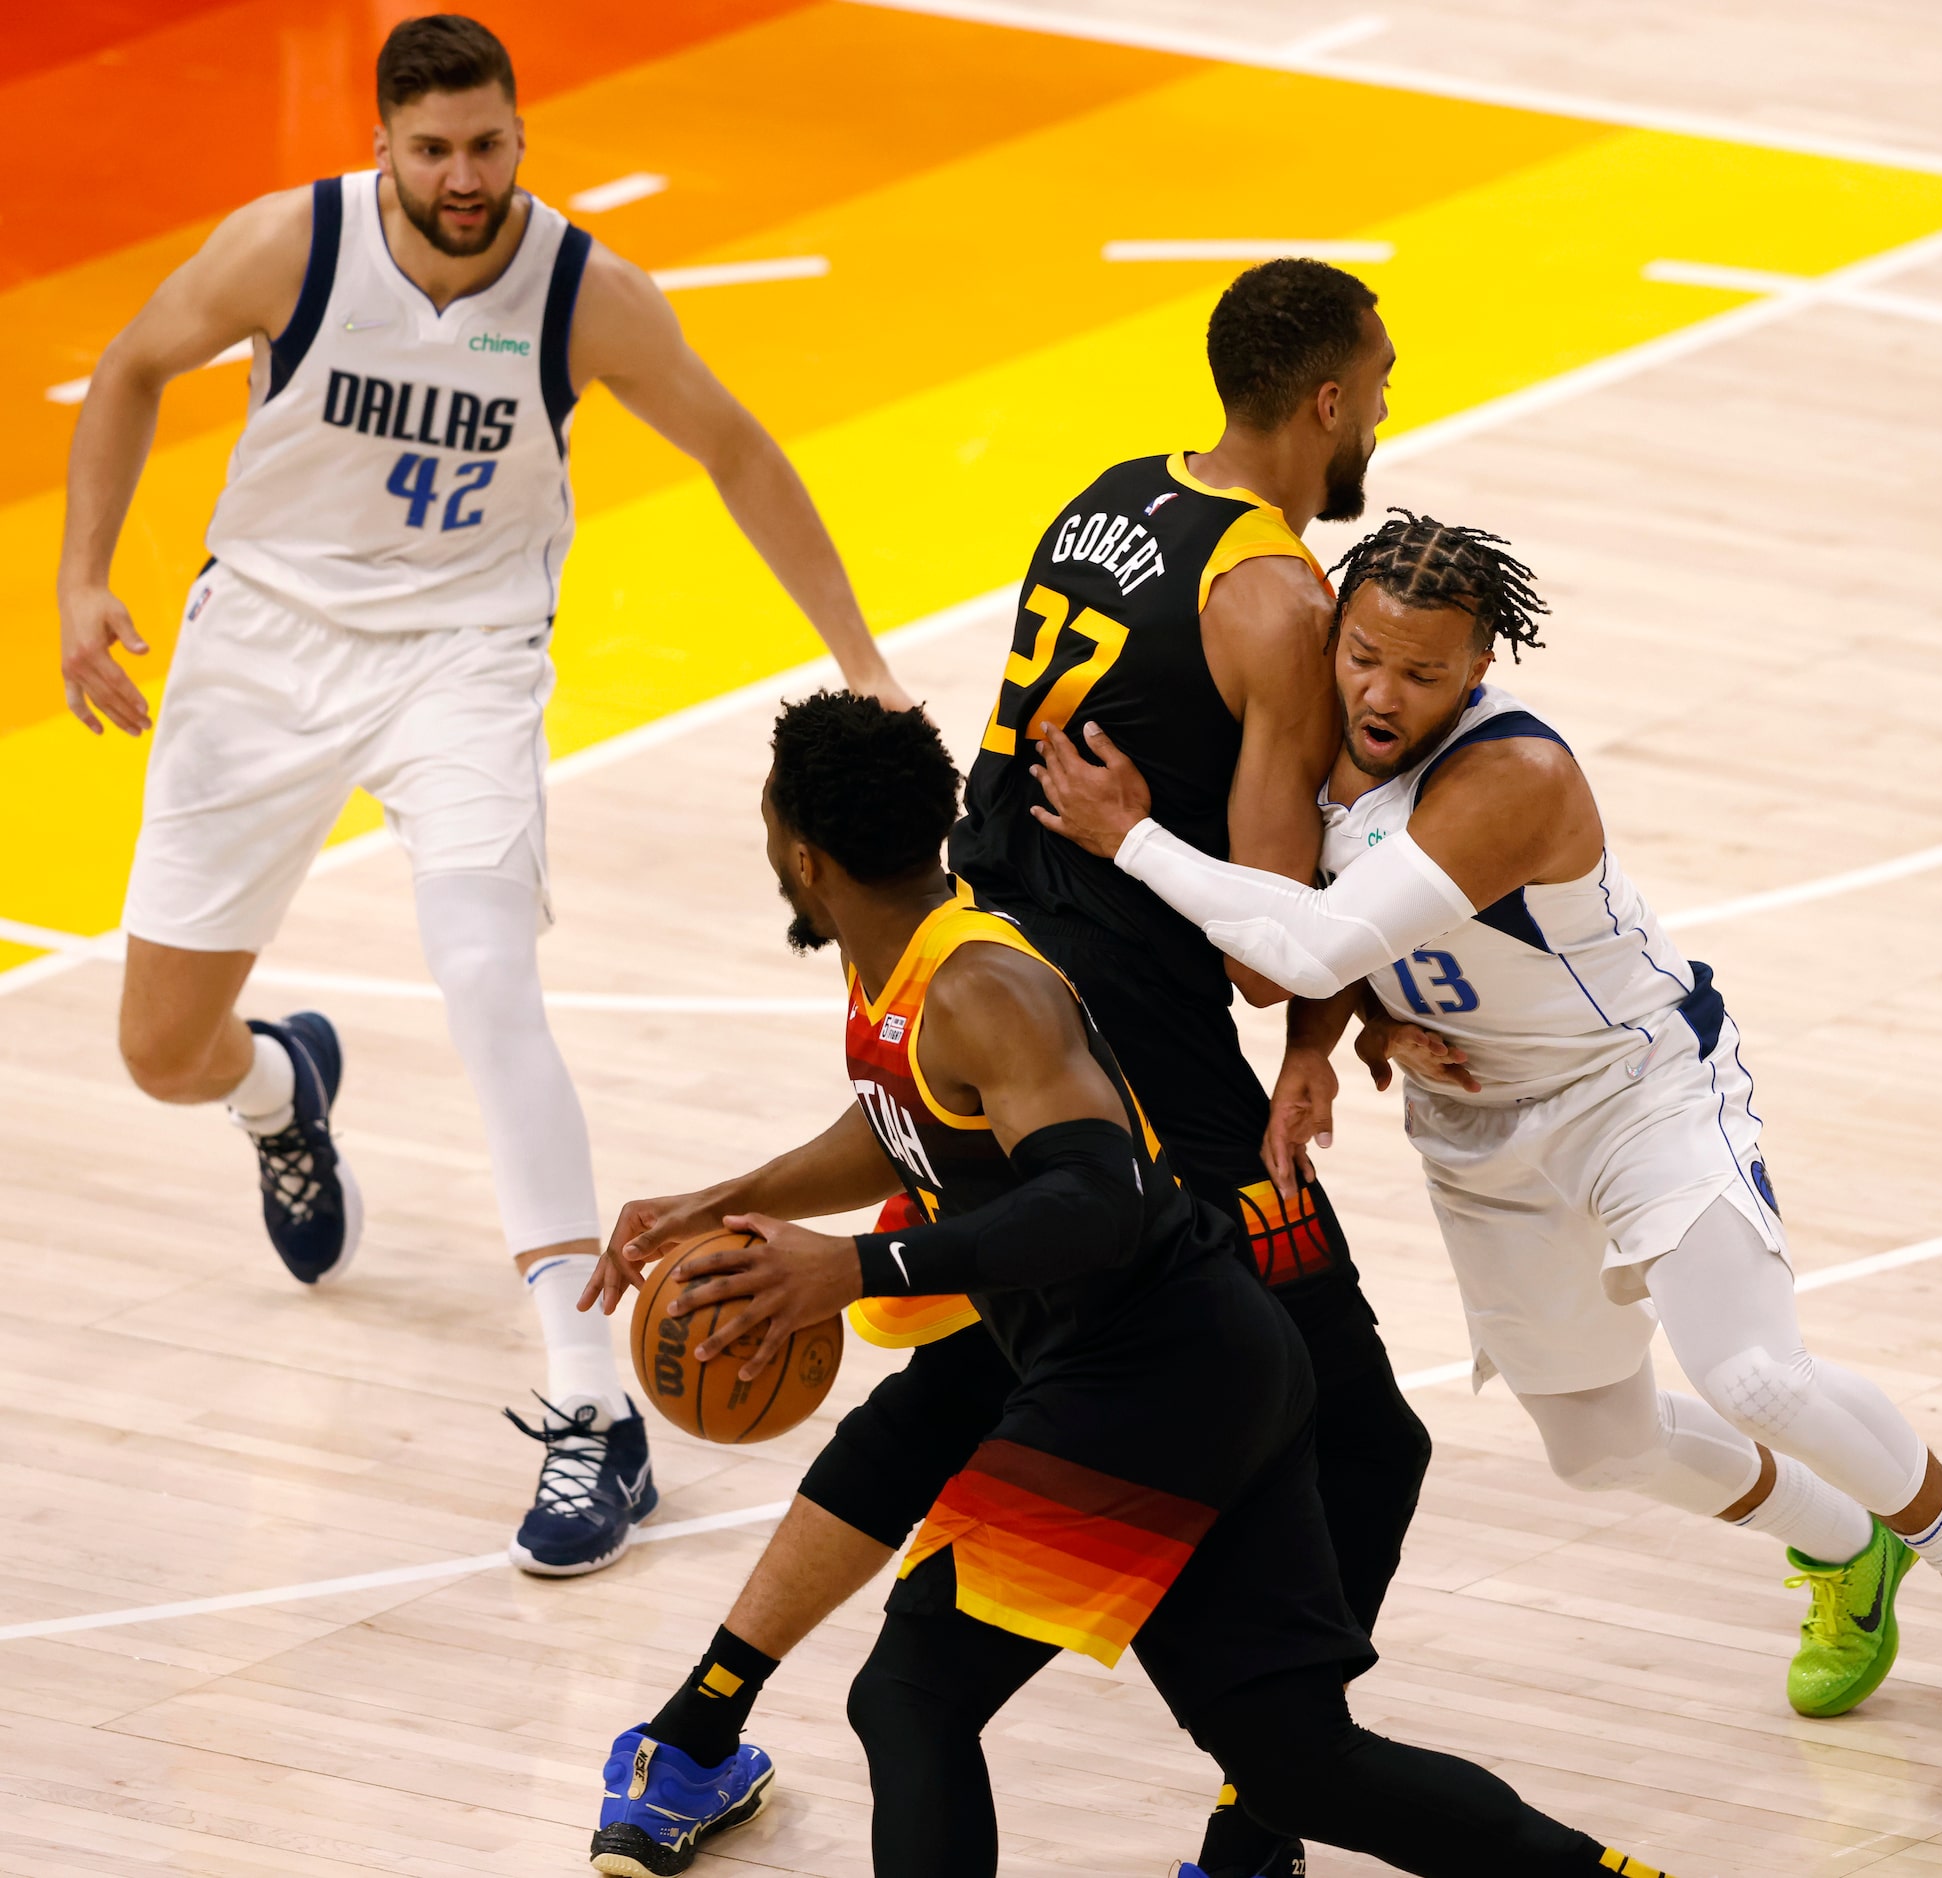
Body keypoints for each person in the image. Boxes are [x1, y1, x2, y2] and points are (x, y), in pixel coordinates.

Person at [1031, 510, 1942, 1811]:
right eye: (1366, 656)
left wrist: (1134, 841)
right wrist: (1334, 1039)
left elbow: (1317, 938)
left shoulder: (1514, 776)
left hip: (1635, 1088)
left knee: (1752, 1374)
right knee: (1599, 1444)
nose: (1383, 693)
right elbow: (1318, 951)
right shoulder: (1315, 730)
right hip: (1477, 1121)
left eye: (1422, 672)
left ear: (1481, 667)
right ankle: (1844, 1552)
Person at [580, 258, 1434, 1877]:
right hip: (1140, 1079)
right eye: (1376, 379)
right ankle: (1262, 1821)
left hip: (971, 988)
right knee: (1362, 1436)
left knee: (971, 1377)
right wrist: (1370, 920)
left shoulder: (1105, 502)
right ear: (1323, 400)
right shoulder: (1276, 602)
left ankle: (691, 1729)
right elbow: (1262, 943)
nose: (1386, 404)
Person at [53, 13, 907, 1577]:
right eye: (434, 148)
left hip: (464, 654)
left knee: (486, 980)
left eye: (490, 144)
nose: (466, 176)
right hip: (263, 648)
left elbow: (733, 447)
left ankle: (592, 1409)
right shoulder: (289, 247)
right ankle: (277, 1090)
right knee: (159, 1051)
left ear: (524, 135)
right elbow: (127, 370)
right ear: (382, 143)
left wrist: (859, 656)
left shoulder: (581, 288)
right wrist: (80, 582)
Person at [583, 690, 1680, 1878]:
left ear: (799, 856)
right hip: (1214, 1369)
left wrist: (853, 1267)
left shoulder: (982, 986)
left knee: (910, 1697)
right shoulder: (899, 968)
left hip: (1142, 1382)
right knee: (1296, 1761)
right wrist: (723, 1198)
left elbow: (1095, 1199)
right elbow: (911, 1124)